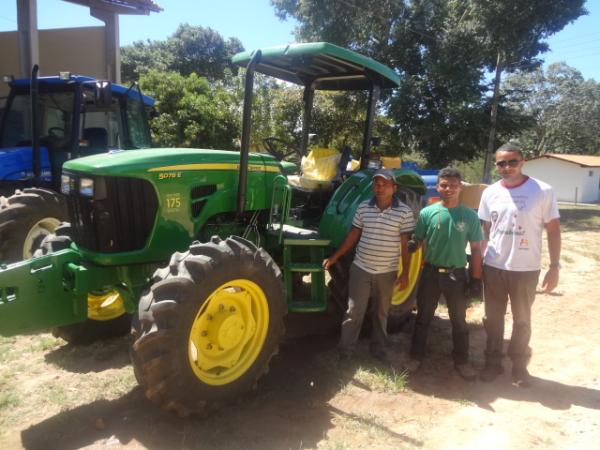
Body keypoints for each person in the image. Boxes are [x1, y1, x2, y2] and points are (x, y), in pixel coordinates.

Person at [478, 142, 561, 387]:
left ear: (522, 162)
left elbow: (554, 230)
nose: (506, 167)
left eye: (512, 162)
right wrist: (479, 260)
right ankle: (492, 363)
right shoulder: (489, 192)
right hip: (493, 267)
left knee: (522, 320)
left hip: (526, 270)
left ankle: (519, 367)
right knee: (492, 319)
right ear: (496, 166)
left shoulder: (543, 191)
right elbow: (484, 228)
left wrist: (555, 266)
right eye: (501, 163)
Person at [323, 168, 415, 360]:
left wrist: (405, 272)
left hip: (387, 271)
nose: (380, 188)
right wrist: (335, 257)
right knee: (354, 310)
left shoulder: (404, 212)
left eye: (384, 184)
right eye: (377, 184)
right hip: (361, 268)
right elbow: (353, 235)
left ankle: (379, 348)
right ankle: (345, 350)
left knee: (381, 313)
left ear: (394, 187)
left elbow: (405, 245)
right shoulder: (364, 207)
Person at [406, 167, 483, 381]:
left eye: (454, 185)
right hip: (430, 274)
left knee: (458, 321)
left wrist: (476, 279)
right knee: (423, 318)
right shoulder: (426, 213)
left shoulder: (469, 216)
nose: (449, 189)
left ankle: (462, 361)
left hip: (456, 276)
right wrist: (413, 243)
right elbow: (418, 238)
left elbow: (476, 249)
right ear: (438, 187)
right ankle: (415, 356)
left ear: (461, 187)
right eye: (444, 185)